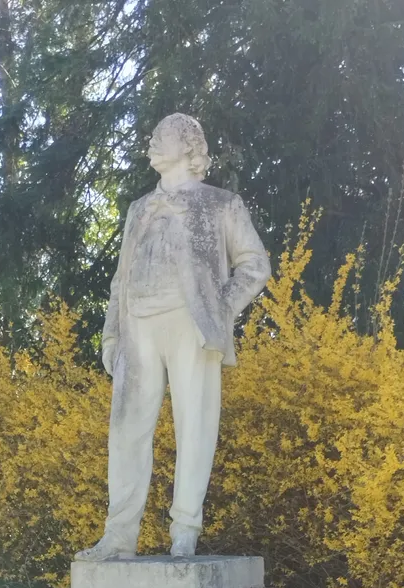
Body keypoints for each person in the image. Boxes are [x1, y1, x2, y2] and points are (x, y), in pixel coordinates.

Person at [76, 113, 270, 561]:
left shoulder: (221, 203)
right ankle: (119, 536)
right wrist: (111, 335)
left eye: (161, 135)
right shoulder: (138, 208)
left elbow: (255, 265)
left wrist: (219, 309)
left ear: (188, 145)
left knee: (194, 425)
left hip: (191, 324)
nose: (151, 141)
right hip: (137, 325)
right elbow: (120, 279)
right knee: (126, 430)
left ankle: (185, 528)